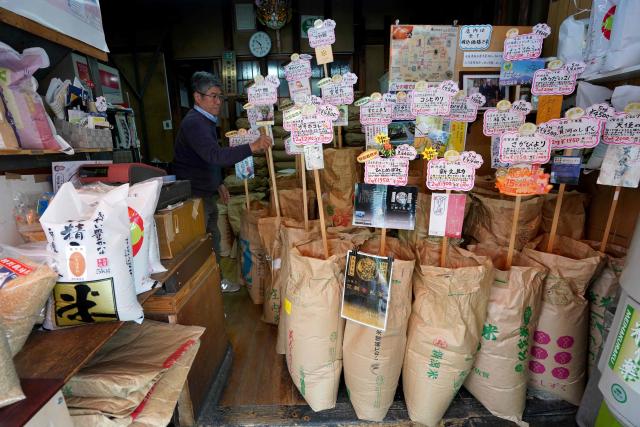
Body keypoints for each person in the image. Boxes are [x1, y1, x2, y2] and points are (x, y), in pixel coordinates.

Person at [173, 72, 272, 292]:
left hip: (204, 192)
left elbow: (204, 159)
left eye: (220, 97)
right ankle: (202, 289)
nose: (218, 102)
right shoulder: (195, 123)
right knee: (202, 244)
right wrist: (252, 147)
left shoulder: (204, 121)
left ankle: (213, 284)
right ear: (197, 97)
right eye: (213, 96)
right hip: (194, 196)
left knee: (212, 239)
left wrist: (218, 182)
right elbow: (215, 156)